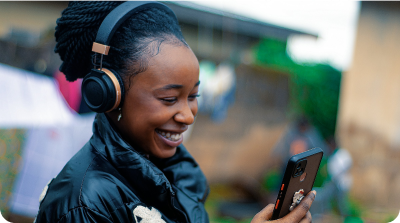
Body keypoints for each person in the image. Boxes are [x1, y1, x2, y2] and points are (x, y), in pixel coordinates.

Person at [34, 0, 316, 222]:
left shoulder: (178, 173)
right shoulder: (83, 204)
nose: (189, 115)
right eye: (169, 99)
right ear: (108, 94)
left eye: (194, 96)